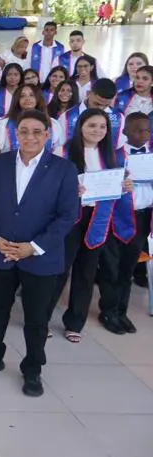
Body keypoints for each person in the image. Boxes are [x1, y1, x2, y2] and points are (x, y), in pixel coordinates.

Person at [0, 109, 78, 397]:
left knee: (36, 318)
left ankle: (32, 369)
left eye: (36, 132)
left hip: (40, 256)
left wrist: (34, 247)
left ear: (47, 135)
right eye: (24, 131)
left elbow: (68, 215)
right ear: (15, 135)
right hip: (3, 252)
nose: (29, 136)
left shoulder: (63, 169)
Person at [52, 108, 133, 343]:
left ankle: (75, 322)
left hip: (98, 218)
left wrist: (125, 186)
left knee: (86, 273)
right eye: (92, 125)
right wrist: (70, 190)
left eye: (102, 127)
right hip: (70, 218)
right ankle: (41, 318)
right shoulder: (64, 151)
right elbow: (50, 185)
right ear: (81, 127)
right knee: (59, 269)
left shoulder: (113, 156)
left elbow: (116, 187)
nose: (97, 131)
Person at [102, 112, 151, 333]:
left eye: (147, 130)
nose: (144, 134)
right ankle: (108, 311)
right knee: (112, 267)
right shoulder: (114, 157)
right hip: (117, 218)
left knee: (129, 267)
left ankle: (121, 311)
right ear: (125, 132)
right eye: (138, 130)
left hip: (142, 217)